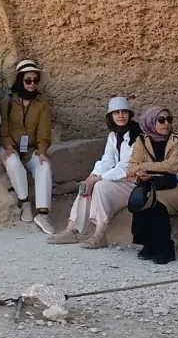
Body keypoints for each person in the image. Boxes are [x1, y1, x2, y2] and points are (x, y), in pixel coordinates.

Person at [49, 97, 141, 248]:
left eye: (124, 112)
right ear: (110, 116)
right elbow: (107, 161)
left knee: (99, 186)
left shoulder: (136, 136)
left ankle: (99, 234)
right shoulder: (113, 136)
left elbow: (125, 167)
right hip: (117, 181)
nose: (121, 115)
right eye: (116, 112)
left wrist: (97, 179)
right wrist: (91, 177)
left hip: (132, 183)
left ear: (129, 115)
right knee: (86, 186)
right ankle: (71, 229)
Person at [127, 106, 178, 265]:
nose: (166, 124)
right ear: (150, 122)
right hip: (154, 185)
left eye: (169, 119)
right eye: (161, 120)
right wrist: (141, 172)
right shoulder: (142, 140)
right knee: (142, 201)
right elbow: (131, 168)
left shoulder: (177, 140)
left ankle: (165, 250)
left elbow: (172, 166)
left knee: (155, 203)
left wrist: (145, 166)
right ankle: (148, 245)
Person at [0, 59, 55, 234]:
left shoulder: (42, 103)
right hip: (9, 145)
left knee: (44, 166)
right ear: (20, 80)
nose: (32, 84)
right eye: (28, 80)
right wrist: (9, 145)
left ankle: (43, 213)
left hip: (30, 148)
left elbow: (44, 132)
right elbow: (3, 128)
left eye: (35, 80)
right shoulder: (8, 101)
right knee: (13, 162)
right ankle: (25, 203)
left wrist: (43, 152)